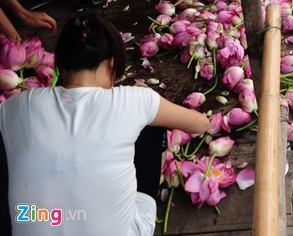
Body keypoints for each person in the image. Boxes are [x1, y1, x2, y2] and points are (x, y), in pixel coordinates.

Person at [0, 13, 210, 235]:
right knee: (152, 126)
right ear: (111, 64)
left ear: (59, 63)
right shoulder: (134, 100)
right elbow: (200, 125)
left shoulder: (15, 106)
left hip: (34, 216)